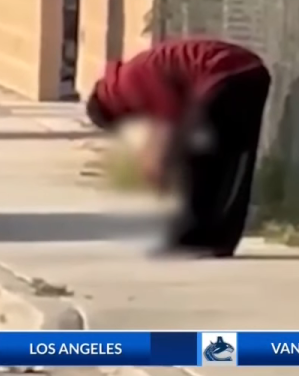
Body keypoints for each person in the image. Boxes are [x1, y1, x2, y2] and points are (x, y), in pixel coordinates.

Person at [86, 38, 271, 258]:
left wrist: (157, 163)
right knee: (235, 161)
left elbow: (170, 117)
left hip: (224, 75)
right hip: (250, 72)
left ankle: (195, 237)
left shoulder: (129, 82)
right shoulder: (131, 75)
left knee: (198, 159)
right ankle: (219, 240)